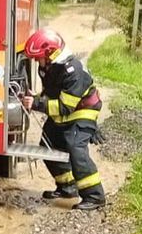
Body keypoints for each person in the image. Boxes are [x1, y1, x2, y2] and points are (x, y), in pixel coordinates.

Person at [22, 28, 105, 211]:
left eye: (38, 57)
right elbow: (52, 92)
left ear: (50, 53)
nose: (37, 61)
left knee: (76, 148)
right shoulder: (49, 67)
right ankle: (68, 187)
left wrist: (36, 104)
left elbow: (65, 107)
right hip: (66, 112)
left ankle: (95, 196)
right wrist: (36, 97)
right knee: (48, 146)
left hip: (83, 111)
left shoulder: (72, 71)